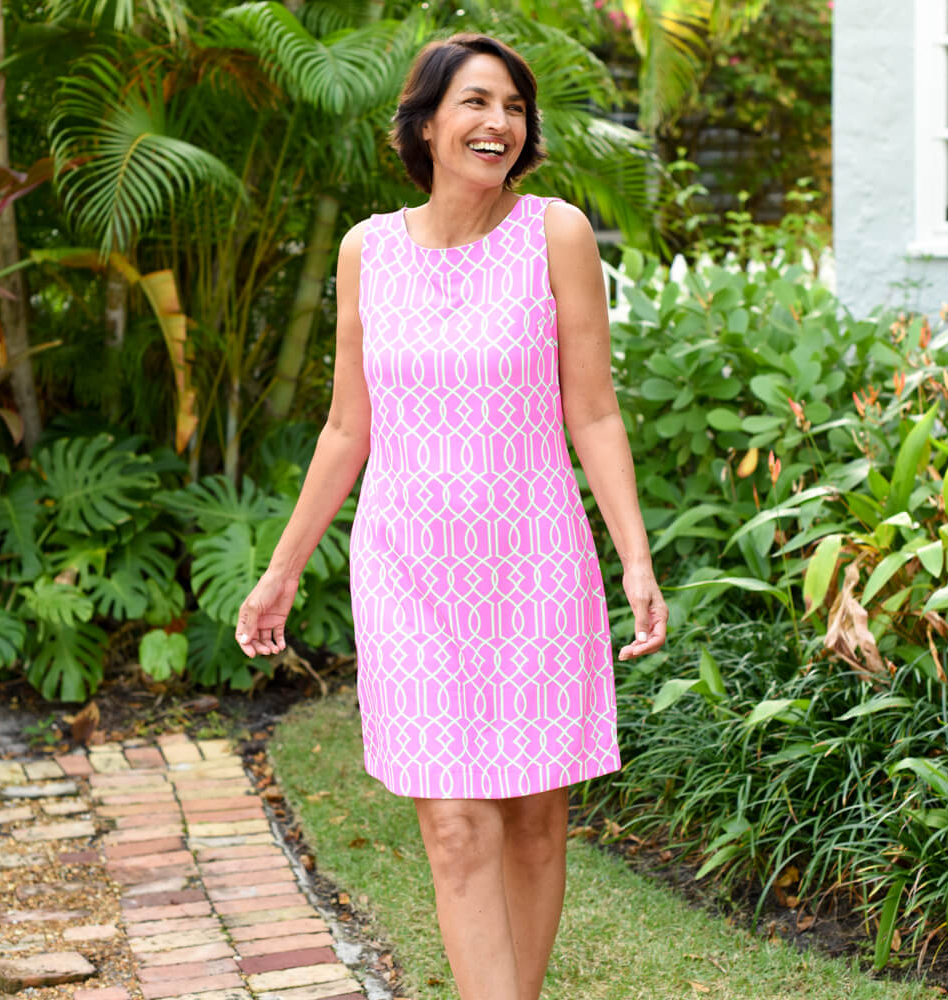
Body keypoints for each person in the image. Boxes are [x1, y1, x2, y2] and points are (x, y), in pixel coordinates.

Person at [236, 32, 668, 1000]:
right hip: (409, 571)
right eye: (476, 102)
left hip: (534, 563)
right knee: (454, 825)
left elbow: (593, 410)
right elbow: (348, 426)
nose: (498, 123)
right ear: (425, 123)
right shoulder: (367, 251)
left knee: (534, 820)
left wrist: (634, 559)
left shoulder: (554, 233)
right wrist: (281, 569)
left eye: (513, 106)